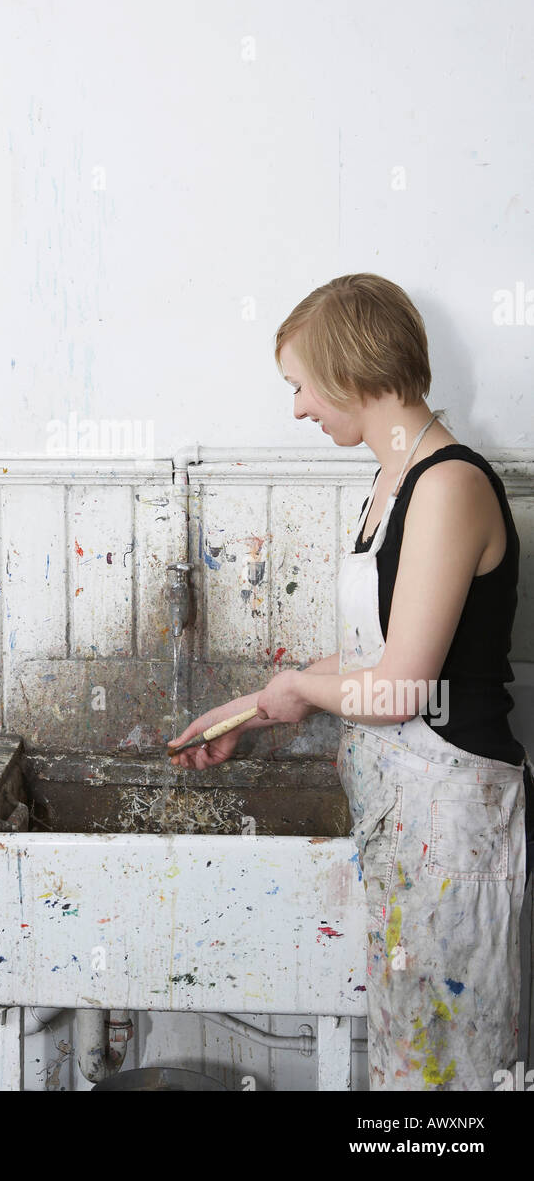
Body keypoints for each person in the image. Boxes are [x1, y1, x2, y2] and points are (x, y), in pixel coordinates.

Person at [169, 272, 534, 1091]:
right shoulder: (390, 485)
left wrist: (297, 694)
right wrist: (250, 709)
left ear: (349, 372)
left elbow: (398, 689)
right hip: (408, 828)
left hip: (453, 829)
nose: (298, 407)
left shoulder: (447, 485)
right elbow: (370, 654)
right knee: (413, 1066)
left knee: (453, 1077)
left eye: (300, 385)